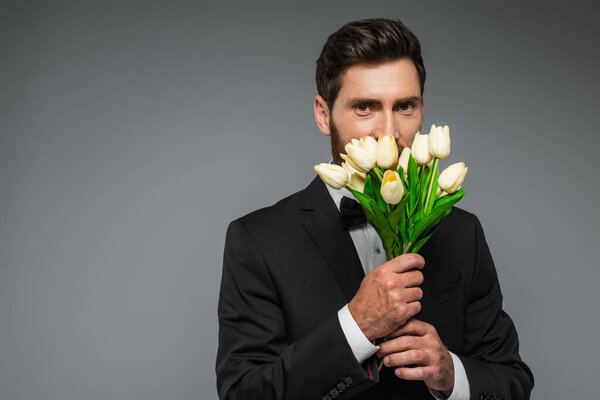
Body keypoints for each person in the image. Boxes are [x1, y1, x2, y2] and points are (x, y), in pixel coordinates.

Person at [216, 18, 534, 400]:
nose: (389, 131)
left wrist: (452, 375)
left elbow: (511, 381)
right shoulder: (258, 240)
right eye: (364, 107)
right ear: (323, 114)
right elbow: (243, 394)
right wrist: (356, 327)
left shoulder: (463, 233)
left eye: (404, 106)